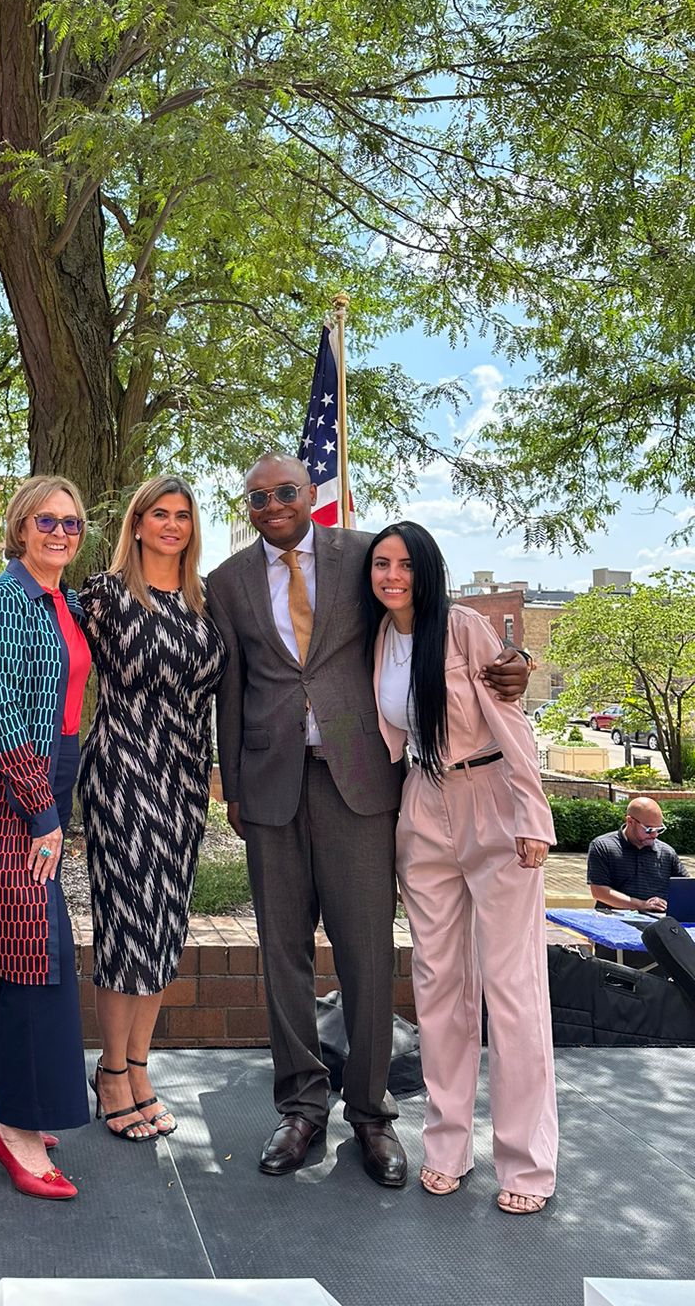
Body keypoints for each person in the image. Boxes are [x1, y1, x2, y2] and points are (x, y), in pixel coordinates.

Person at [206, 454, 527, 1188]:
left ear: (310, 494)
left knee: (367, 956)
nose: (274, 505)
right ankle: (300, 1108)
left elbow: (429, 614)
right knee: (282, 952)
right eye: (258, 497)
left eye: (286, 491)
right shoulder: (226, 583)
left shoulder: (362, 556)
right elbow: (233, 687)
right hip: (270, 784)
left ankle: (371, 1113)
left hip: (360, 781)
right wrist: (230, 781)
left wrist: (515, 656)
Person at [365, 520, 558, 1215]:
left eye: (405, 565)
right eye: (382, 564)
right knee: (439, 983)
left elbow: (512, 720)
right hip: (422, 805)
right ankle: (446, 1144)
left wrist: (535, 816)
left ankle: (527, 1164)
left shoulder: (467, 627)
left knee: (511, 990)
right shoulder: (380, 639)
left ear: (428, 570)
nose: (392, 576)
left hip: (492, 801)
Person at [0, 475, 91, 1200]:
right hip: (12, 785)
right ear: (20, 527)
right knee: (40, 946)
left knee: (7, 937)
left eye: (71, 524)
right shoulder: (3, 600)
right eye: (46, 522)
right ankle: (20, 1129)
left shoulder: (61, 598)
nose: (60, 534)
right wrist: (43, 813)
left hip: (50, 768)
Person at [78, 475, 225, 1140]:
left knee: (165, 929)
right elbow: (56, 665)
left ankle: (140, 1065)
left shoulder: (204, 601)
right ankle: (111, 1072)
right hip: (123, 776)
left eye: (183, 516)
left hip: (185, 782)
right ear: (135, 524)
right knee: (127, 930)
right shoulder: (104, 597)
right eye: (158, 514)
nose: (171, 525)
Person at [588, 797, 688, 913]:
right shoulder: (603, 846)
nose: (655, 835)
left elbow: (686, 888)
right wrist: (642, 905)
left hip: (657, 924)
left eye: (659, 829)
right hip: (613, 921)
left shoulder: (667, 852)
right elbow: (600, 892)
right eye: (649, 829)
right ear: (630, 821)